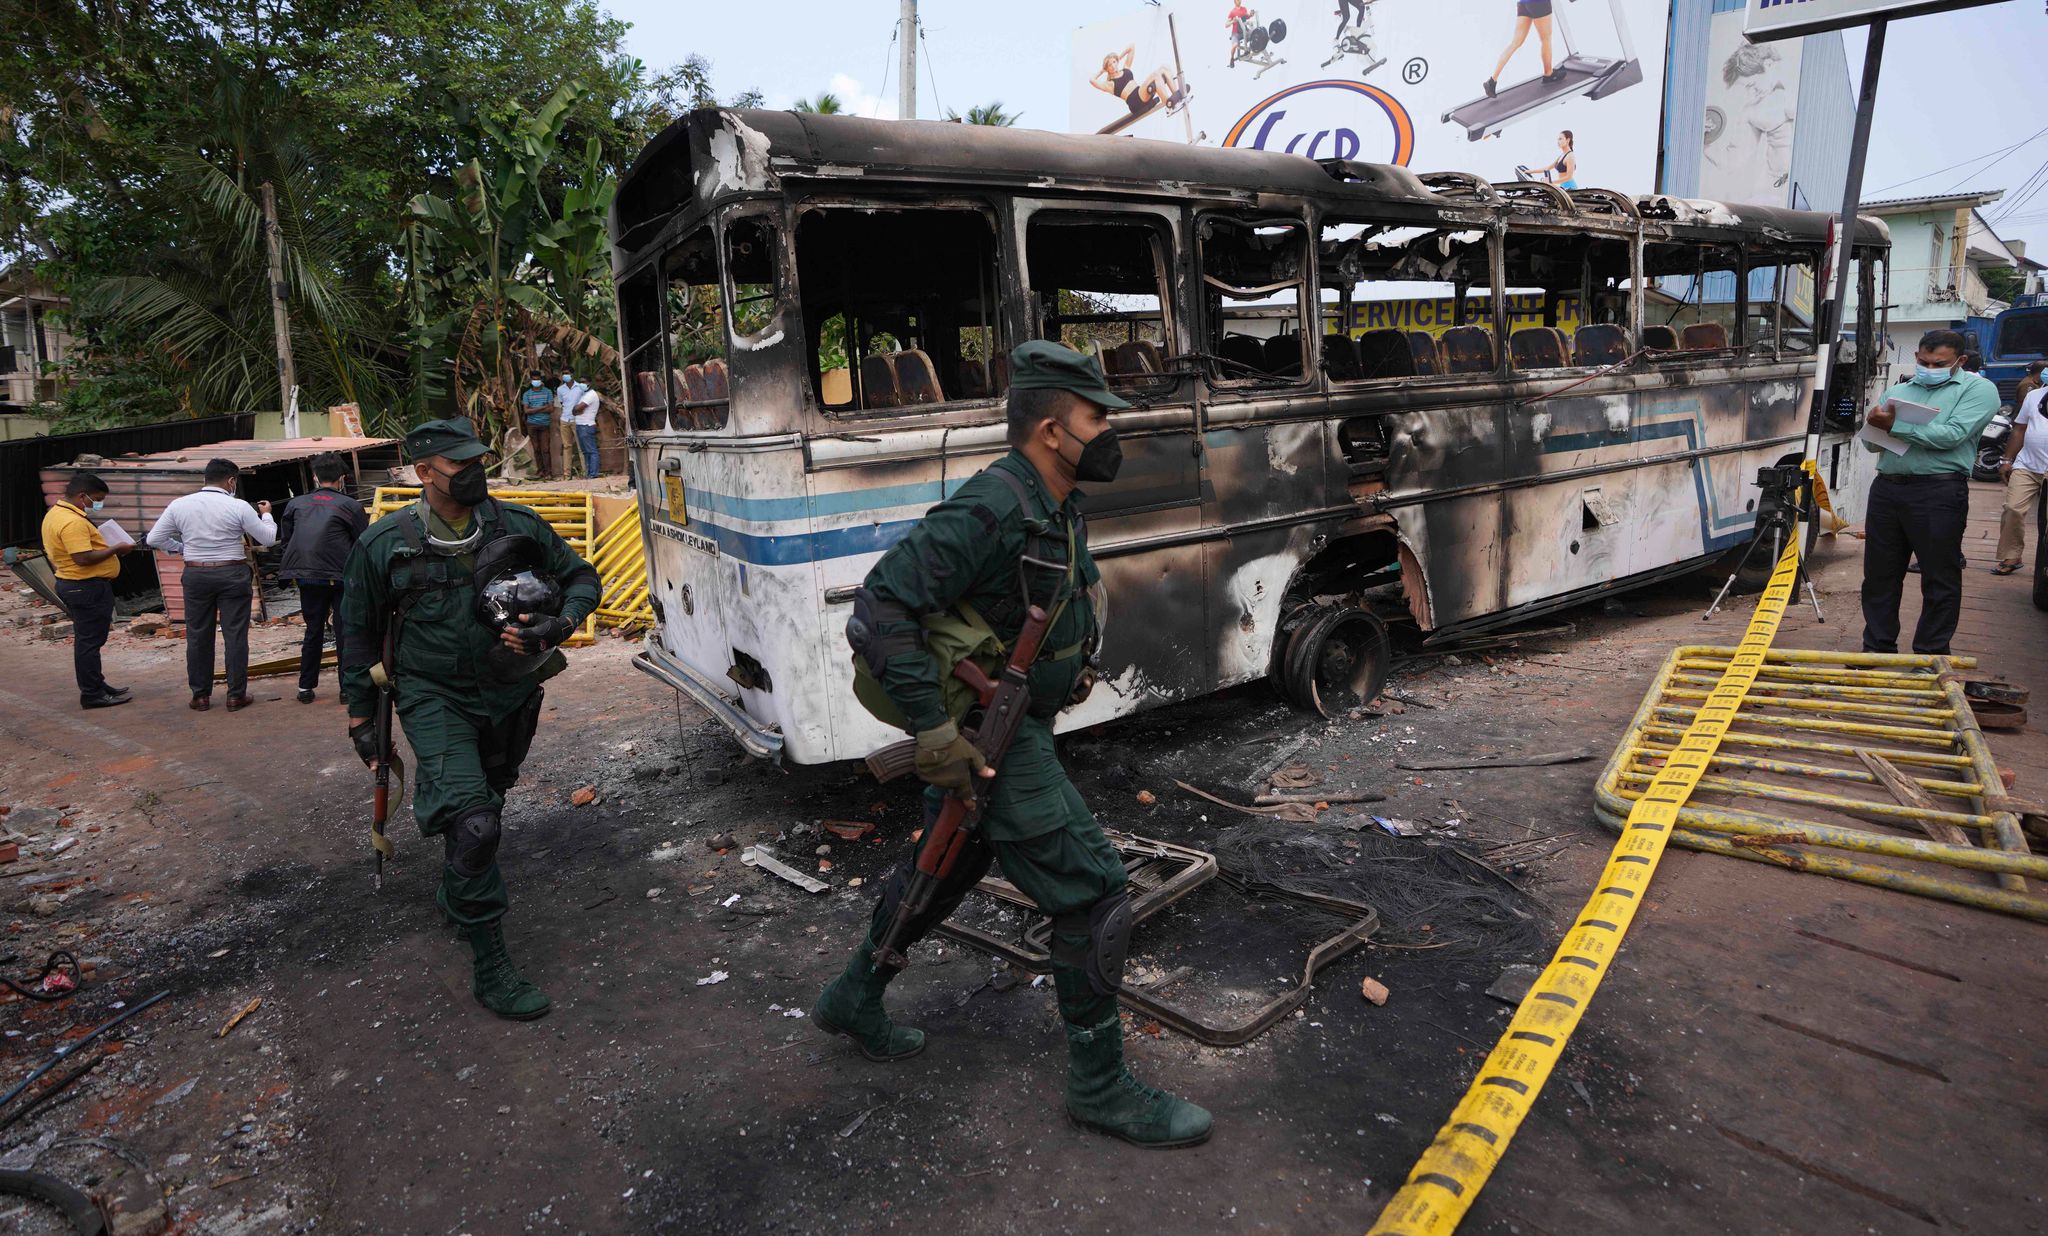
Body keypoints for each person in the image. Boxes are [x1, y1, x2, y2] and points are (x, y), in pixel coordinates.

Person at [812, 340, 1211, 1150]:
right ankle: (1101, 1087)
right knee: (1096, 893)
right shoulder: (993, 506)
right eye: (1097, 418)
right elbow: (881, 604)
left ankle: (855, 995)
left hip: (1018, 721)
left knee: (946, 862)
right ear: (1052, 430)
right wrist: (930, 728)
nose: (1110, 433)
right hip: (985, 736)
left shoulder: (1052, 501)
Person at [339, 418, 602, 1021]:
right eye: (460, 465)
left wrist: (560, 624)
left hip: (511, 693)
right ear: (423, 472)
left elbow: (581, 578)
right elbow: (356, 635)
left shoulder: (517, 526)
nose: (476, 472)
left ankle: (457, 885)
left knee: (488, 800)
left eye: (480, 460)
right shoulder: (385, 544)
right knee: (476, 821)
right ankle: (491, 962)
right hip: (433, 696)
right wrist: (361, 721)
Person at [1859, 329, 2001, 656]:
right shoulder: (1898, 390)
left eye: (1939, 363)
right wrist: (1879, 425)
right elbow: (1869, 442)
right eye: (1924, 361)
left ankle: (1931, 654)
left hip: (1938, 491)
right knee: (1879, 578)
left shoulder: (1978, 390)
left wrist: (1893, 426)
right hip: (1887, 490)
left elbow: (1951, 435)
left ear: (1960, 360)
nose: (1929, 367)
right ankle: (1876, 651)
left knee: (1939, 578)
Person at [147, 459, 275, 712]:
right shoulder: (237, 506)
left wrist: (181, 548)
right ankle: (236, 695)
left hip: (196, 574)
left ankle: (200, 696)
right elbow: (268, 538)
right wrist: (267, 514)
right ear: (230, 481)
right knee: (235, 634)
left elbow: (154, 538)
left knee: (197, 635)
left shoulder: (179, 505)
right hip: (232, 573)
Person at [278, 453, 368, 702]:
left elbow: (287, 542)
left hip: (307, 577)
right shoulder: (351, 506)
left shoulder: (296, 504)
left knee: (313, 631)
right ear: (342, 478)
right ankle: (346, 689)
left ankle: (305, 688)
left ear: (315, 477)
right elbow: (363, 542)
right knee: (344, 633)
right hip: (341, 577)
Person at [41, 472, 135, 710]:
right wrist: (116, 549)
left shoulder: (57, 513)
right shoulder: (72, 522)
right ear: (82, 496)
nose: (98, 503)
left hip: (77, 585)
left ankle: (98, 685)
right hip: (84, 586)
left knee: (90, 640)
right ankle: (92, 694)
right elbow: (82, 558)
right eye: (97, 498)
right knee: (89, 643)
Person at [1996, 380, 2048, 574]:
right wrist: (2006, 460)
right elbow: (2019, 429)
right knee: (2013, 508)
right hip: (2027, 465)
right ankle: (2012, 554)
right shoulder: (2034, 396)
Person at [1484, 1, 1561, 98]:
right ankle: (1549, 74)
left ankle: (1492, 81)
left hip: (1524, 3)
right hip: (1539, 3)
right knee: (1546, 39)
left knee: (1515, 43)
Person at [1091, 45, 1182, 119]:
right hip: (1135, 101)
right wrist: (1102, 70)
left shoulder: (1126, 69)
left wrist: (1117, 58)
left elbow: (1132, 47)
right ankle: (1169, 106)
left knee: (1164, 68)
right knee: (1155, 75)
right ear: (1107, 68)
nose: (1113, 66)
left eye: (1114, 62)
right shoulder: (1110, 84)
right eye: (1109, 65)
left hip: (1141, 93)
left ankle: (1177, 98)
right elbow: (1092, 80)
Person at [520, 375, 559, 479]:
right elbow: (526, 411)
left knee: (545, 449)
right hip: (531, 424)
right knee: (536, 449)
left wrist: (534, 409)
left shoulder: (547, 392)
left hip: (544, 424)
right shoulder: (527, 394)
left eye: (538, 379)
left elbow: (551, 409)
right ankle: (540, 471)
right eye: (534, 379)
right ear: (531, 381)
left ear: (541, 380)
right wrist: (543, 407)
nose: (536, 381)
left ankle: (548, 472)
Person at [570, 385, 603, 478]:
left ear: (590, 383)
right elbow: (574, 410)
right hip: (581, 425)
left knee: (591, 451)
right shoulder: (585, 395)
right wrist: (576, 409)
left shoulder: (591, 395)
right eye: (580, 382)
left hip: (586, 425)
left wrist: (576, 409)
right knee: (586, 452)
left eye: (584, 382)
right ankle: (589, 474)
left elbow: (577, 409)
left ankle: (593, 474)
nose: (582, 384)